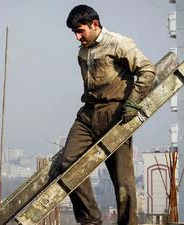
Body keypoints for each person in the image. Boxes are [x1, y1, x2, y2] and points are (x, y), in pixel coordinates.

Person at [59, 5, 156, 225]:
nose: (77, 36)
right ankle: (91, 219)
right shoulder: (83, 50)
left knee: (122, 179)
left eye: (80, 31)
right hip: (88, 114)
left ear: (95, 24)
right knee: (67, 163)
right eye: (74, 32)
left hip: (116, 115)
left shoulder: (118, 43)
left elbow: (147, 70)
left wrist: (132, 102)